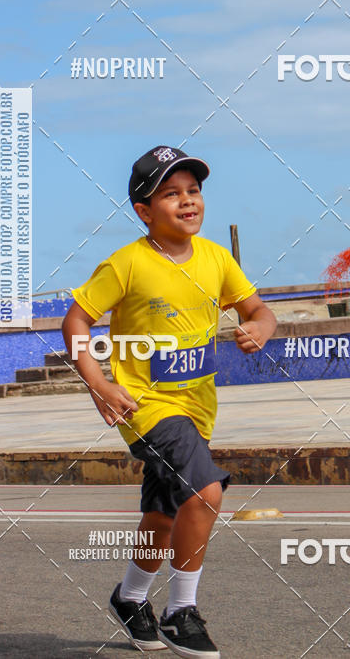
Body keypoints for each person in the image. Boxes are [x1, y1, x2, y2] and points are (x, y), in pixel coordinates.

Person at [62, 146, 277, 657]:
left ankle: (131, 597)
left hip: (199, 407)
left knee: (163, 515)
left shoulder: (215, 258)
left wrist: (259, 328)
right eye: (171, 193)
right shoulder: (127, 264)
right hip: (146, 408)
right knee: (205, 492)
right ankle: (181, 612)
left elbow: (259, 309)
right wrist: (97, 381)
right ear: (144, 210)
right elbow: (75, 321)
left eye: (194, 191)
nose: (187, 201)